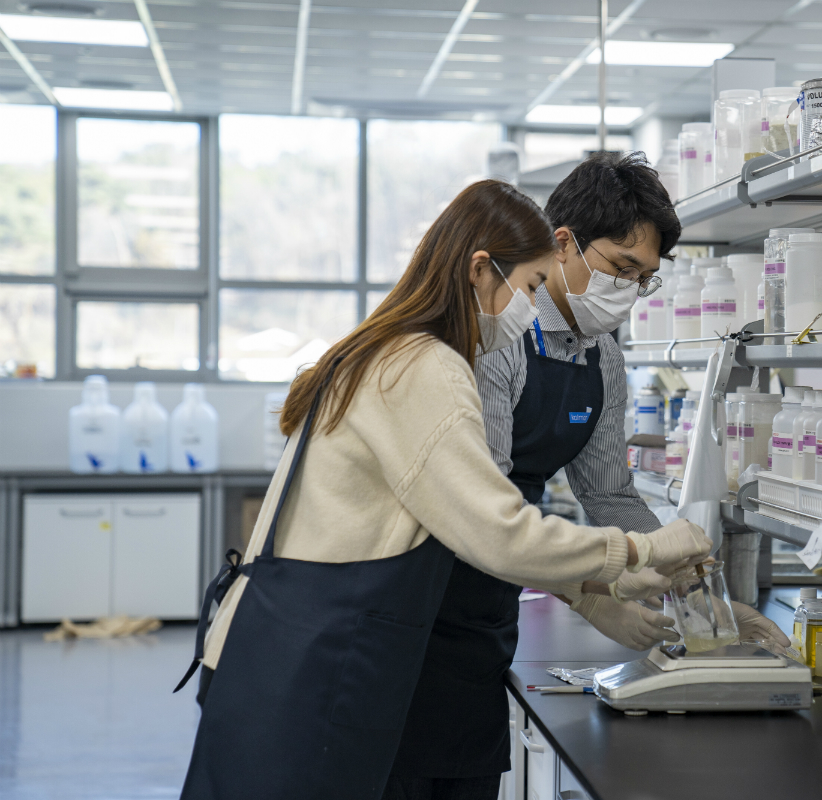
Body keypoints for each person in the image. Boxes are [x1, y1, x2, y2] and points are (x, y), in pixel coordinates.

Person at [176, 179, 711, 800]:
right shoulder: (424, 366)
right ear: (482, 270)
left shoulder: (387, 349)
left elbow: (492, 521)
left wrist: (624, 585)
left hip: (308, 643)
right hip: (329, 656)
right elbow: (495, 529)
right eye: (531, 286)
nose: (531, 306)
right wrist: (634, 558)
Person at [387, 153, 790, 800]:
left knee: (465, 770)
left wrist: (698, 597)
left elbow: (608, 493)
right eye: (621, 268)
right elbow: (486, 510)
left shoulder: (603, 357)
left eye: (645, 278)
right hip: (425, 596)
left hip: (493, 603)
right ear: (564, 244)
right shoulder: (496, 336)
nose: (629, 291)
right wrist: (594, 597)